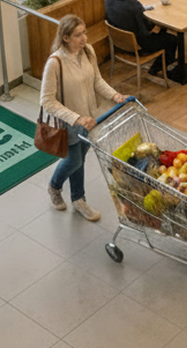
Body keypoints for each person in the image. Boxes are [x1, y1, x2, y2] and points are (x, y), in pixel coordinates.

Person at [40, 13, 128, 222]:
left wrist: (114, 95)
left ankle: (78, 199)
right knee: (74, 160)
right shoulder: (55, 63)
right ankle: (55, 186)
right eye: (78, 35)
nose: (84, 38)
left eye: (84, 33)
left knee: (80, 159)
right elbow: (47, 100)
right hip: (69, 122)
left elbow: (97, 80)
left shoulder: (88, 51)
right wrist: (77, 118)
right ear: (65, 38)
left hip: (90, 120)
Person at [105, 0, 185, 80]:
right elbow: (146, 30)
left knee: (163, 33)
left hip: (119, 43)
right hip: (137, 46)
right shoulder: (134, 5)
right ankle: (156, 69)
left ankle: (164, 60)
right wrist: (158, 21)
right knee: (173, 40)